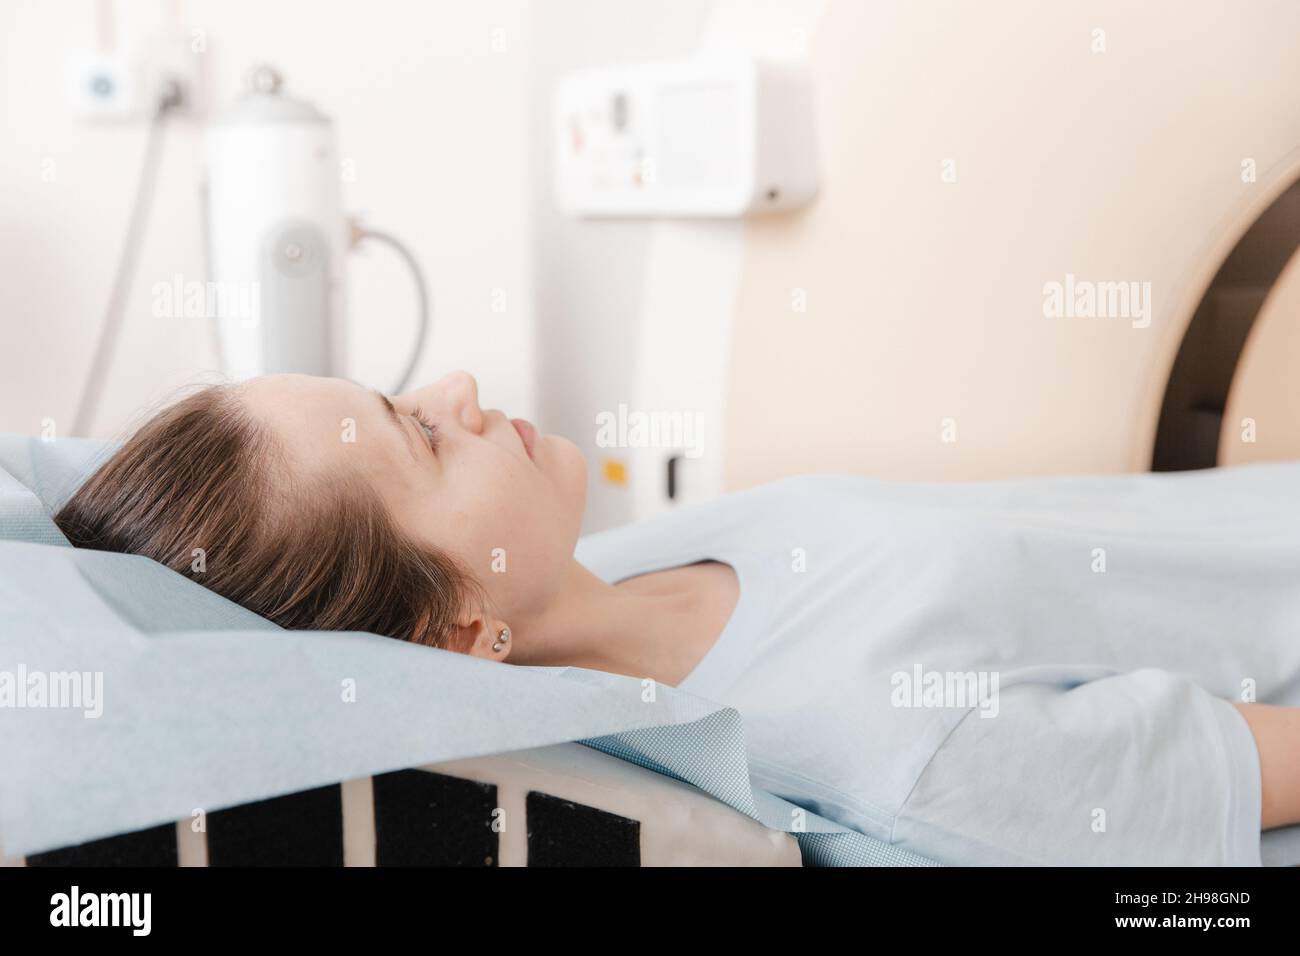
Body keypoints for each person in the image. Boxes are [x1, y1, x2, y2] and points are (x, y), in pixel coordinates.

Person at [54, 371, 1300, 865]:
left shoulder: (638, 557)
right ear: (447, 633)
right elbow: (1234, 775)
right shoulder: (889, 745)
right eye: (420, 434)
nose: (461, 391)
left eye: (402, 387)